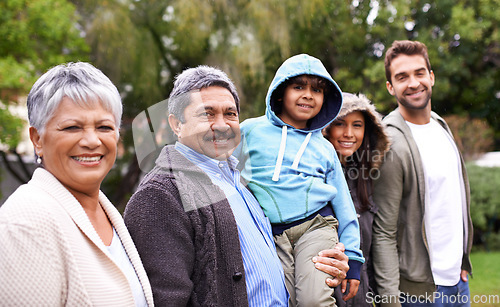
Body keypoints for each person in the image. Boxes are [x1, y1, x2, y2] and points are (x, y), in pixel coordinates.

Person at [124, 65, 351, 307]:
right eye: (207, 114)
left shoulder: (240, 177)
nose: (222, 125)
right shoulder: (161, 194)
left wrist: (327, 261)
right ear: (176, 124)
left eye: (230, 114)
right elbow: (165, 299)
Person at [0, 62, 154, 306]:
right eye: (72, 127)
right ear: (37, 139)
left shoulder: (108, 214)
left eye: (104, 127)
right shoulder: (25, 222)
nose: (92, 141)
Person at [236, 54, 364, 306]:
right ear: (280, 93)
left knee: (314, 300)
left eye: (316, 89)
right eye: (299, 87)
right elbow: (224, 174)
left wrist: (353, 258)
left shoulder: (324, 148)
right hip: (269, 235)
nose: (308, 95)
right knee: (280, 300)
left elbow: (344, 205)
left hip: (316, 228)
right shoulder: (249, 131)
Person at [372, 40, 473, 307]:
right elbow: (384, 231)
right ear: (390, 87)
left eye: (419, 73)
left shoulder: (440, 125)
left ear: (431, 76)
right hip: (419, 294)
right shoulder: (390, 142)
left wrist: (461, 262)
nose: (414, 83)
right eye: (402, 77)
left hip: (459, 283)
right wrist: (390, 300)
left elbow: (453, 201)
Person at [324, 92, 390, 306]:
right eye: (340, 124)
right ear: (326, 128)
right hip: (327, 293)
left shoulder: (365, 179)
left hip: (362, 293)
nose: (349, 133)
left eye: (357, 125)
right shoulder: (317, 182)